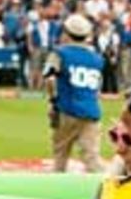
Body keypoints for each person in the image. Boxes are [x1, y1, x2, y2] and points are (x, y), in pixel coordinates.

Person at [43, 14, 105, 173]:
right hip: (91, 110)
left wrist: (52, 101)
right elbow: (98, 86)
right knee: (92, 157)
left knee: (60, 156)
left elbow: (50, 79)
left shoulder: (59, 53)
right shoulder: (96, 58)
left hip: (67, 109)